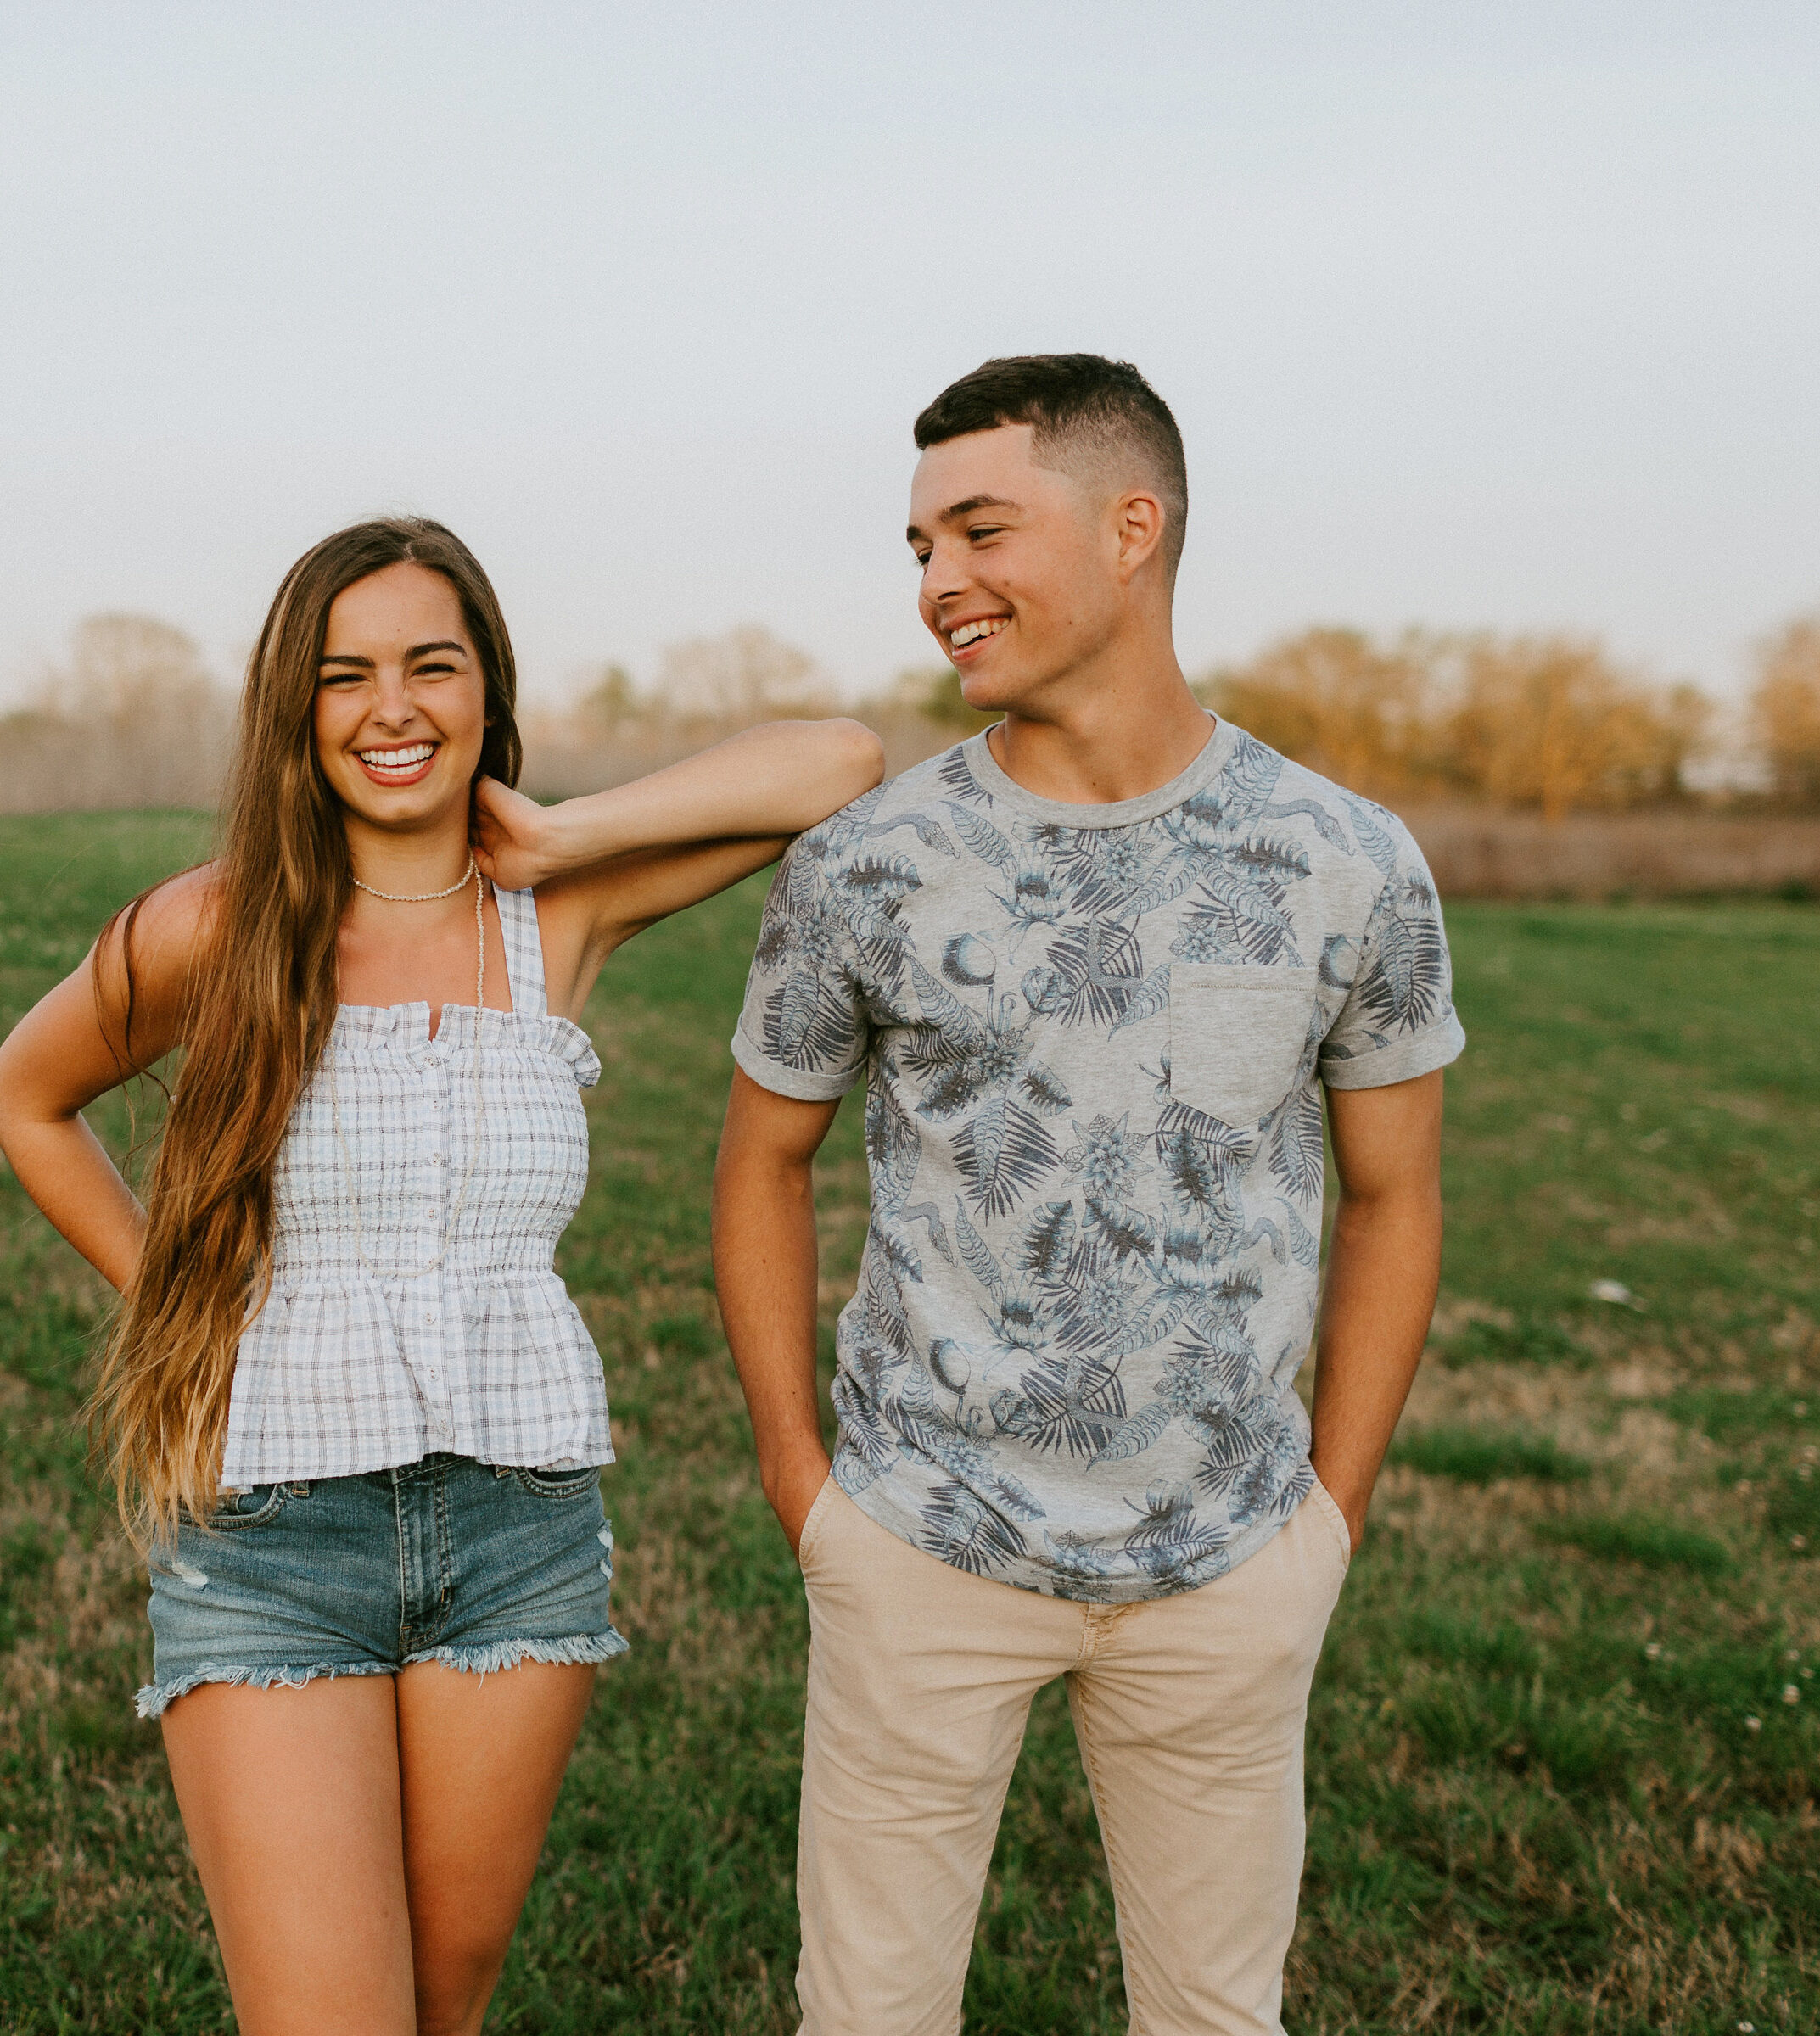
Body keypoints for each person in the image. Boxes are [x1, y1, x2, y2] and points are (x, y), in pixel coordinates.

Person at [0, 516, 882, 2036]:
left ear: (483, 688)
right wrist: (176, 1303)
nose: (390, 709)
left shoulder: (554, 920)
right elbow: (25, 1098)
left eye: (429, 666)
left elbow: (838, 762)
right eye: (344, 676)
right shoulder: (215, 924)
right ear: (294, 708)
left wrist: (569, 835)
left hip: (516, 1533)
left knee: (440, 2011)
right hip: (275, 1537)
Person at [713, 355, 1464, 2035]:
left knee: (1213, 2017)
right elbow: (763, 1162)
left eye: (980, 528)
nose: (937, 585)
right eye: (917, 546)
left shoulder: (1348, 858)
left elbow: (1394, 1201)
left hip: (1228, 1555)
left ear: (1135, 527)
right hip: (919, 1544)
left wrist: (1322, 1519)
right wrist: (802, 1488)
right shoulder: (866, 863)